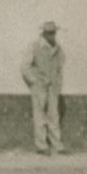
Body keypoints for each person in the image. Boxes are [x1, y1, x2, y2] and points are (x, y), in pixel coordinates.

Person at [21, 20, 67, 156]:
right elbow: (25, 66)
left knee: (54, 116)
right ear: (44, 33)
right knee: (39, 116)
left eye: (54, 32)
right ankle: (41, 146)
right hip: (39, 86)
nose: (52, 35)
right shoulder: (34, 46)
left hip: (53, 87)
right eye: (49, 33)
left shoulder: (58, 49)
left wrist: (58, 83)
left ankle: (57, 145)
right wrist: (33, 81)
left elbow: (60, 65)